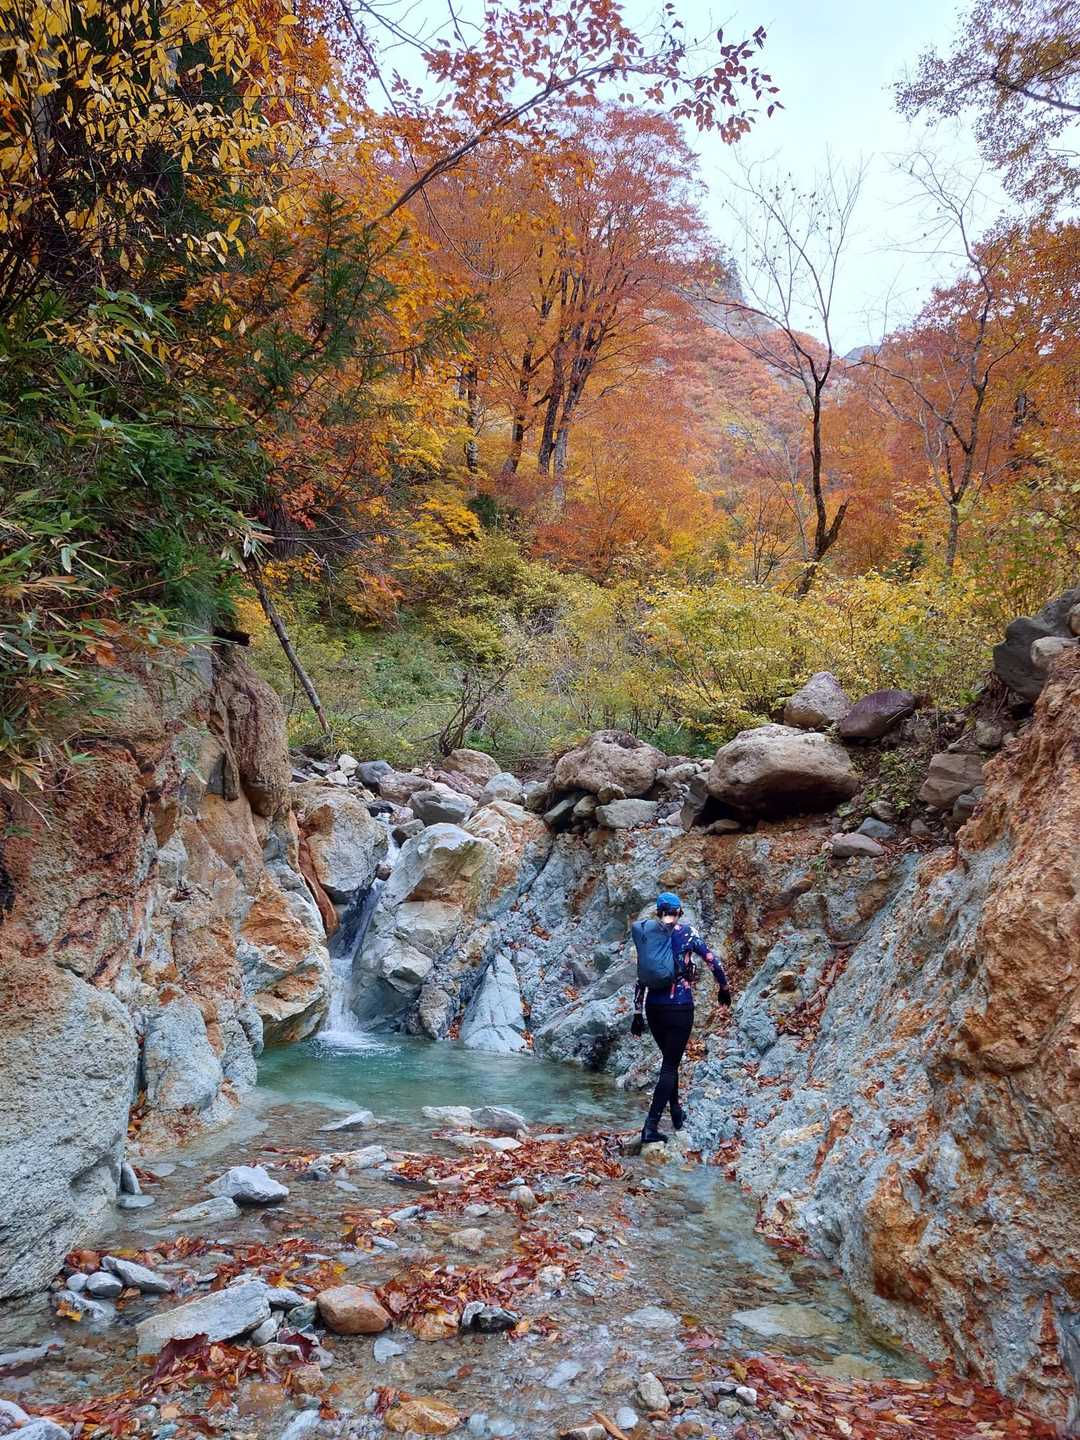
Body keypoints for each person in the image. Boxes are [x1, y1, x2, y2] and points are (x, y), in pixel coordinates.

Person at [630, 891, 731, 1145]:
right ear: (679, 912)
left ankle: (675, 1112)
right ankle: (650, 1126)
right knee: (670, 1065)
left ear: (658, 913)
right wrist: (724, 988)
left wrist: (637, 1012)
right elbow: (712, 961)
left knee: (669, 1060)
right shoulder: (688, 933)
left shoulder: (649, 936)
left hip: (653, 1008)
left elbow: (641, 976)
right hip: (679, 1007)